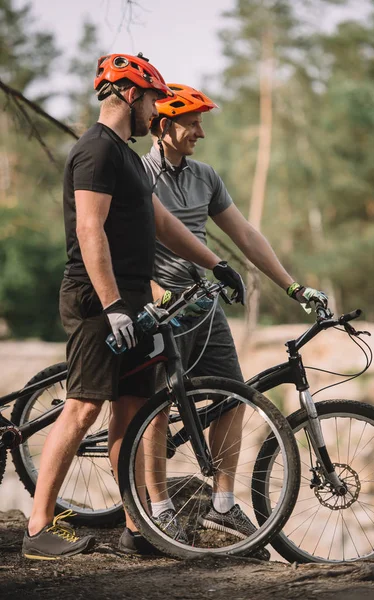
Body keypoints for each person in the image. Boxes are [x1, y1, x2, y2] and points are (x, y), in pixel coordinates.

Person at [22, 57, 246, 560]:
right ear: (128, 95)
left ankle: (136, 528)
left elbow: (163, 224)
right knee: (82, 407)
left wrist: (217, 264)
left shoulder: (123, 155)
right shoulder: (96, 151)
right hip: (98, 300)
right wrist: (115, 305)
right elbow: (88, 229)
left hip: (130, 301)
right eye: (151, 99)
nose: (155, 109)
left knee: (131, 415)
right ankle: (37, 528)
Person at [141, 84, 328, 549]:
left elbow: (244, 233)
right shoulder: (138, 174)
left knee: (233, 396)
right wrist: (152, 291)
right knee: (158, 407)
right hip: (157, 307)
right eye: (193, 123)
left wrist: (292, 285)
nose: (201, 132)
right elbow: (122, 244)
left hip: (204, 307)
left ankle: (223, 505)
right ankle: (161, 509)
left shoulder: (205, 176)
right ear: (164, 126)